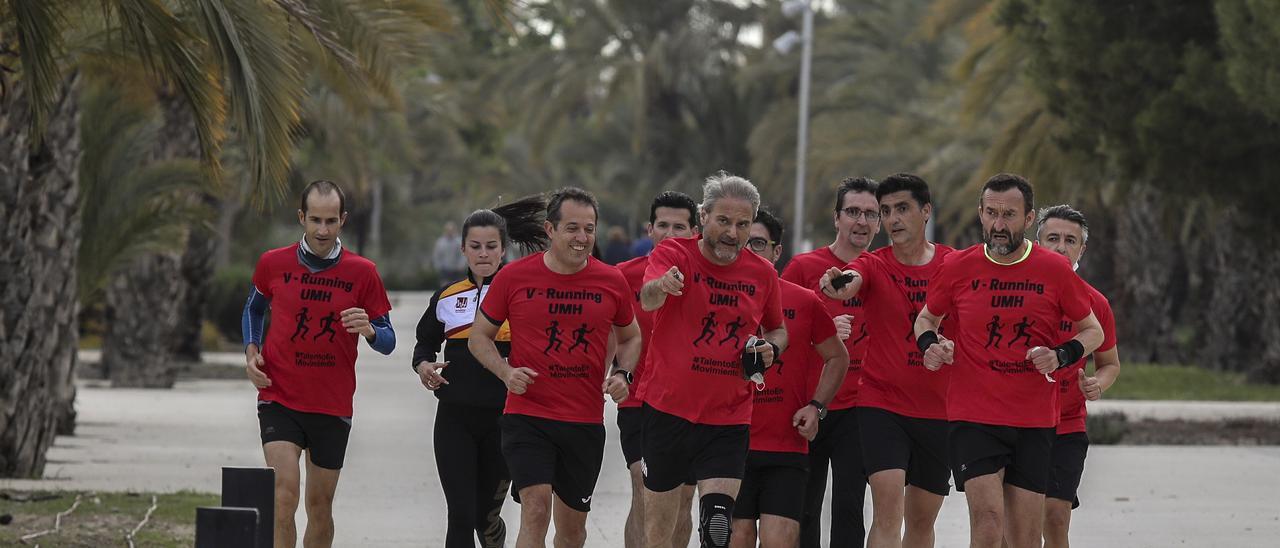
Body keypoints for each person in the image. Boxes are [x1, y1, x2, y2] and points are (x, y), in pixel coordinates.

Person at [912, 173, 1104, 548]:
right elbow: (926, 318)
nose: (998, 225)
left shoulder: (1054, 270)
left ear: (1029, 218)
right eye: (991, 213)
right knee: (986, 525)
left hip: (1033, 419)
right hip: (974, 417)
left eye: (1009, 215)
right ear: (981, 214)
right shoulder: (958, 267)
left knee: (1025, 539)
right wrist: (929, 345)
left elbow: (1092, 330)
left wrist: (1061, 355)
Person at [468, 187, 643, 548]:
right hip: (527, 415)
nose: (582, 238)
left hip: (583, 422)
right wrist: (505, 372)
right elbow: (478, 338)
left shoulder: (612, 281)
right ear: (550, 230)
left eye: (589, 229)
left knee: (572, 530)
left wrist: (622, 374)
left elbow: (630, 338)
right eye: (573, 228)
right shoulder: (514, 277)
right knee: (535, 509)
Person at [242, 180, 396, 548]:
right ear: (301, 218)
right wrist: (251, 352)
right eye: (315, 220)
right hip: (279, 396)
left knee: (319, 507)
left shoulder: (363, 272)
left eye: (330, 221)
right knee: (283, 497)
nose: (322, 230)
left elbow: (389, 340)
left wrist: (371, 331)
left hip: (332, 404)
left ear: (342, 220)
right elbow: (254, 307)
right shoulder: (273, 263)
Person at [639, 172, 787, 548]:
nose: (732, 233)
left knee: (718, 528)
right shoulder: (674, 254)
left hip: (728, 418)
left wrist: (771, 349)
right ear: (704, 216)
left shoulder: (762, 273)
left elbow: (778, 330)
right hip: (668, 412)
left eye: (742, 224)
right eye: (723, 221)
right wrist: (663, 285)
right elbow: (648, 297)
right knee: (659, 532)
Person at [818, 173, 956, 548]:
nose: (893, 219)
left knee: (921, 522)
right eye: (887, 211)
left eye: (902, 209)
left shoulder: (954, 265)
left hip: (938, 409)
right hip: (882, 406)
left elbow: (971, 325)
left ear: (925, 211)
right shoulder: (873, 264)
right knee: (887, 512)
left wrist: (950, 349)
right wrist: (840, 283)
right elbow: (854, 277)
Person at [413, 195, 548, 548]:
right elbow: (424, 344)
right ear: (462, 250)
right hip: (454, 420)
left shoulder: (522, 295)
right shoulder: (446, 297)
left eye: (491, 246)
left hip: (505, 423)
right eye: (475, 246)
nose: (483, 253)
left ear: (504, 250)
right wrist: (424, 366)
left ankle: (493, 531)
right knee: (459, 515)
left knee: (483, 518)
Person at [730, 209, 849, 548]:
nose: (749, 251)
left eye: (758, 243)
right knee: (736, 537)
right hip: (729, 446)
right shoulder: (718, 298)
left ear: (776, 251)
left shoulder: (803, 301)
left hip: (786, 447)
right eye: (742, 243)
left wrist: (817, 407)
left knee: (780, 540)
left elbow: (838, 357)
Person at [781, 176, 881, 547]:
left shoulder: (882, 269)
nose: (862, 221)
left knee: (850, 507)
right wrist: (818, 334)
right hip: (808, 404)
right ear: (837, 218)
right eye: (853, 211)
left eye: (871, 214)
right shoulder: (804, 268)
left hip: (859, 407)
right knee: (805, 506)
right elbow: (774, 334)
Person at [614, 191, 701, 548]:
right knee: (642, 488)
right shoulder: (623, 276)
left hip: (691, 405)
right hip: (637, 399)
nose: (669, 233)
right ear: (649, 229)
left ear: (695, 231)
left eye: (679, 227)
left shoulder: (709, 276)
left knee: (681, 499)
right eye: (662, 225)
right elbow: (604, 333)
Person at [1034, 205, 1121, 548]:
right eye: (1052, 238)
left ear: (1082, 249)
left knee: (1055, 518)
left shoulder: (1095, 303)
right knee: (1013, 526)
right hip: (1016, 422)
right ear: (1036, 242)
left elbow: (1110, 363)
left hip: (1067, 423)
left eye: (1071, 240)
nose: (1061, 247)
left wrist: (1098, 383)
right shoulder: (1013, 295)